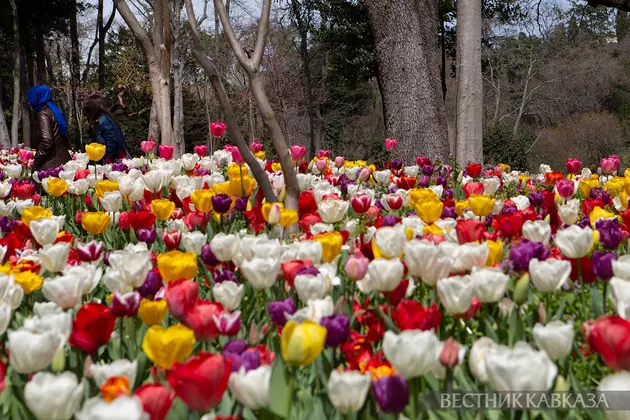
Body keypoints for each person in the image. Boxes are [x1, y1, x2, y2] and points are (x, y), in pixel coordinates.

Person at [27, 85, 72, 171]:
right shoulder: (54, 110)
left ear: (37, 97)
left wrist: (36, 162)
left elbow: (47, 141)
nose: (29, 102)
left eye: (30, 98)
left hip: (51, 164)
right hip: (63, 159)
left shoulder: (43, 113)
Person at [83, 94, 130, 163]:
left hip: (114, 160)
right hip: (111, 157)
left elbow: (112, 141)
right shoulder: (103, 119)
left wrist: (107, 159)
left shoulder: (104, 121)